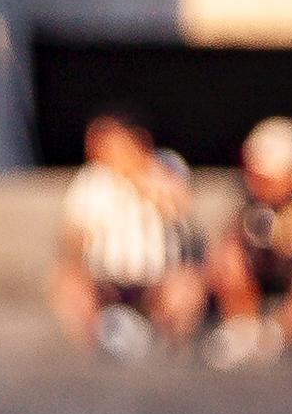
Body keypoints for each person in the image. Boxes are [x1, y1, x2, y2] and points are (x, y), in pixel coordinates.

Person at [52, 112, 205, 358]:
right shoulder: (92, 180)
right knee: (67, 282)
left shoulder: (167, 167)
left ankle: (168, 345)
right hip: (107, 279)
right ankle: (92, 346)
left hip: (157, 279)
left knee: (186, 286)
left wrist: (136, 176)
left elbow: (178, 206)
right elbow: (74, 235)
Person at [203, 115, 292, 364]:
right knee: (227, 257)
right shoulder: (241, 198)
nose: (259, 184)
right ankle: (243, 333)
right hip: (257, 291)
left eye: (270, 177)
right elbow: (221, 256)